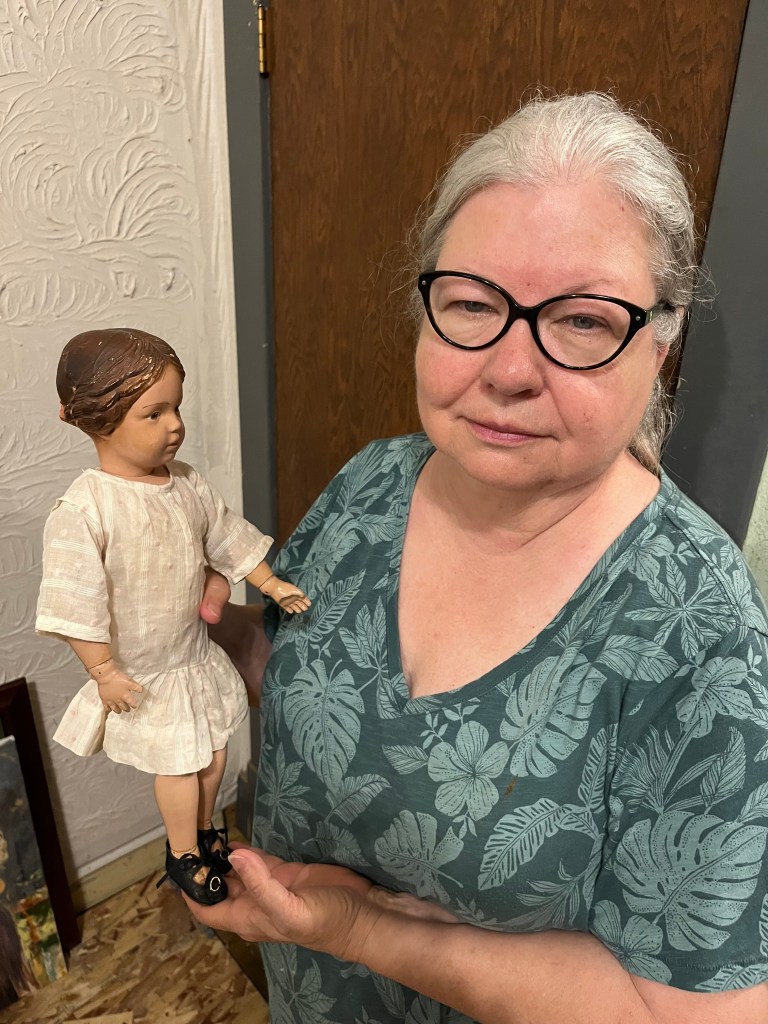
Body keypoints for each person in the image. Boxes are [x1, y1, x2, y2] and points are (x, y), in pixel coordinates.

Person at [191, 92, 768, 1022]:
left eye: (582, 322)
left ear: (659, 343)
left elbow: (692, 1012)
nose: (508, 369)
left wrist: (359, 928)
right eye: (472, 304)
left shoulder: (696, 626)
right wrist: (195, 632)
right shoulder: (373, 485)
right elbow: (316, 685)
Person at [35, 329, 310, 906]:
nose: (175, 425)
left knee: (214, 754)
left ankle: (206, 832)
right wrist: (103, 670)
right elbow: (75, 601)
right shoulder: (86, 509)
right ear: (99, 419)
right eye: (154, 413)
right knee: (181, 766)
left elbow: (224, 536)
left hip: (193, 657)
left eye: (177, 408)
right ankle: (183, 852)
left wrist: (269, 582)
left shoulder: (185, 483)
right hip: (147, 674)